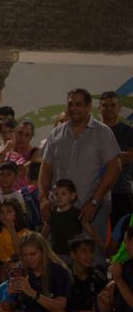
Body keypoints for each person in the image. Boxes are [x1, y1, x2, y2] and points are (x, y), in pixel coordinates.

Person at [38, 89, 121, 248]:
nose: (73, 108)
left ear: (89, 106)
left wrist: (95, 201)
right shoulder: (56, 134)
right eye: (70, 104)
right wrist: (42, 199)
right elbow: (46, 169)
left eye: (78, 104)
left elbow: (114, 168)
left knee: (92, 259)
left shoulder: (102, 132)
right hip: (60, 210)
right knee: (58, 258)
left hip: (90, 210)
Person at [77, 228, 133, 312]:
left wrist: (118, 280)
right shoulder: (126, 266)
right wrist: (107, 298)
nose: (124, 245)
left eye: (126, 241)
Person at [98, 91, 133, 231]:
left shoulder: (128, 131)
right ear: (99, 108)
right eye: (105, 105)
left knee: (122, 236)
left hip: (121, 193)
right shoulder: (92, 131)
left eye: (113, 105)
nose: (109, 108)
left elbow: (131, 156)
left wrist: (104, 157)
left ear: (119, 108)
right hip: (96, 193)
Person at [44, 179, 96, 256]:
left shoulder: (77, 213)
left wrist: (102, 246)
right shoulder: (51, 214)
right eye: (56, 194)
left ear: (72, 196)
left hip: (73, 255)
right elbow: (44, 233)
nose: (59, 197)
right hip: (54, 254)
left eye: (63, 194)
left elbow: (91, 231)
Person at [0, 119, 38, 190]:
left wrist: (1, 171)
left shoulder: (35, 152)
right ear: (15, 133)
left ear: (31, 137)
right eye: (20, 133)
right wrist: (5, 149)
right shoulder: (3, 149)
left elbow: (26, 169)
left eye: (27, 135)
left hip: (21, 197)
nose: (22, 137)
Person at [0, 201, 30, 279]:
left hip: (19, 264)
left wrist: (12, 231)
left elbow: (19, 253)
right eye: (2, 212)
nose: (4, 215)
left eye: (8, 211)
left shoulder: (26, 233)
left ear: (17, 214)